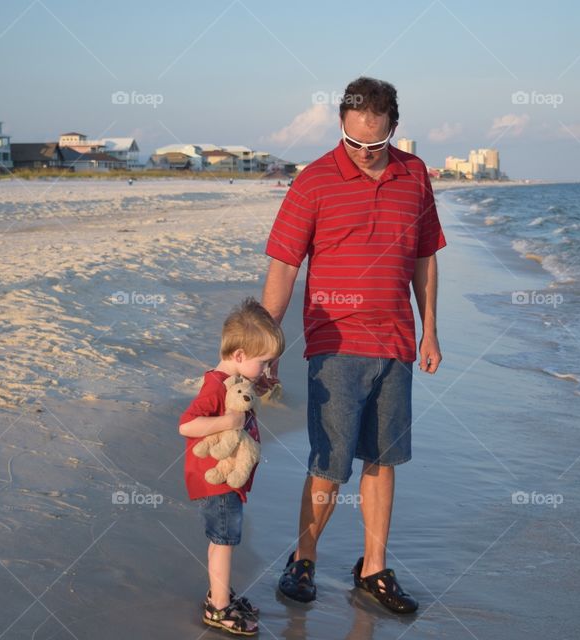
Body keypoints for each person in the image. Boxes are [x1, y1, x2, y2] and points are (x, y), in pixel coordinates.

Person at [261, 76, 446, 614]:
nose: (365, 155)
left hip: (396, 341)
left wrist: (429, 328)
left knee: (384, 459)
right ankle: (304, 561)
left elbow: (424, 258)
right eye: (354, 143)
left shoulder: (414, 176)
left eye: (376, 144)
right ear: (341, 125)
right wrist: (268, 342)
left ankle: (373, 569)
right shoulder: (314, 180)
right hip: (334, 341)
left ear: (394, 128)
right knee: (330, 461)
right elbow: (284, 265)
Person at [178, 297, 285, 635]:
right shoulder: (213, 386)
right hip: (216, 480)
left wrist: (259, 384)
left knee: (221, 539)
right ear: (239, 356)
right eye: (263, 362)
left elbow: (245, 391)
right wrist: (227, 421)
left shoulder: (235, 380)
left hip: (226, 480)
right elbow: (186, 425)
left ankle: (220, 593)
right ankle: (218, 608)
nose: (266, 369)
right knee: (224, 540)